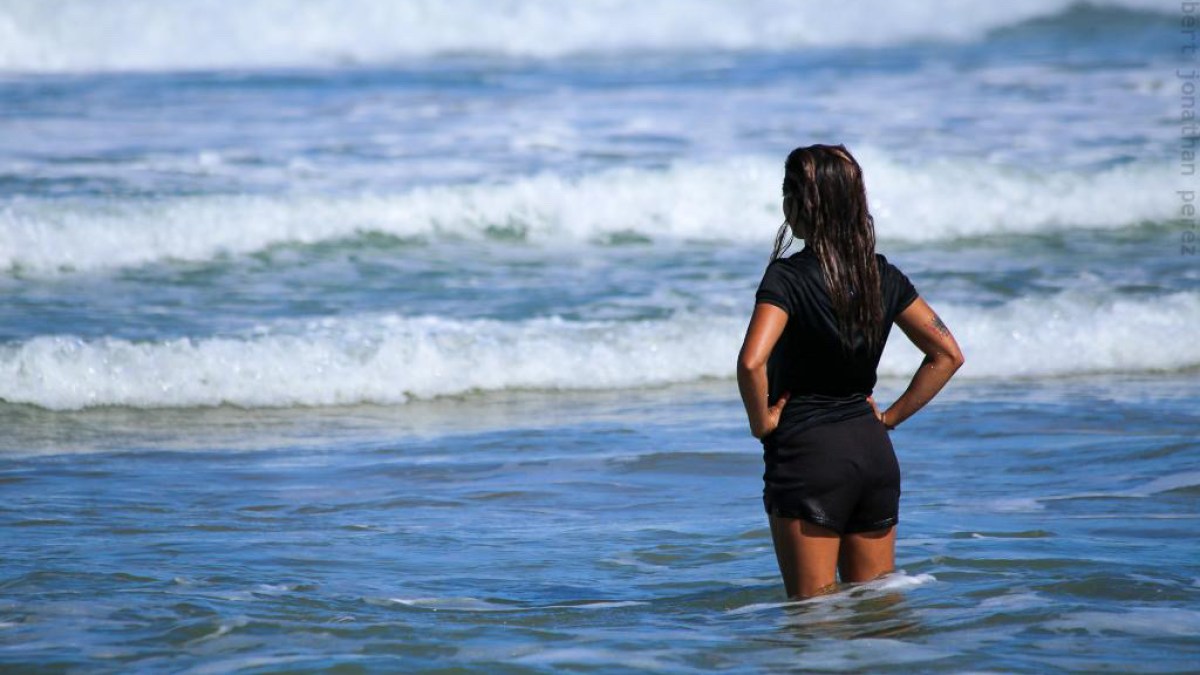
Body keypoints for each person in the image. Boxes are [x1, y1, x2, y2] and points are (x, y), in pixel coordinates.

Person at [736, 144, 964, 599]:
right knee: (877, 617)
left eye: (790, 192)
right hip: (874, 456)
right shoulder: (881, 274)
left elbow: (751, 361)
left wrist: (761, 422)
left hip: (810, 458)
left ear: (802, 204)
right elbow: (948, 354)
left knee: (812, 621)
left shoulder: (788, 278)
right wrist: (890, 419)